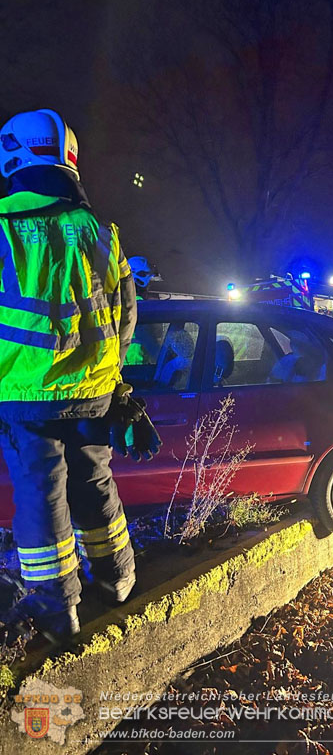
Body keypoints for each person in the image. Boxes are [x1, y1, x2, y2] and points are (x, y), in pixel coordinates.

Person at [0, 109, 148, 641]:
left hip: (23, 397)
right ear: (69, 160)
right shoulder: (99, 232)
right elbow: (125, 313)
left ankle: (56, 608)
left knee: (41, 495)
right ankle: (118, 580)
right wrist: (116, 387)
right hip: (92, 394)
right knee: (93, 483)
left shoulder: (2, 227)